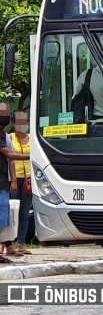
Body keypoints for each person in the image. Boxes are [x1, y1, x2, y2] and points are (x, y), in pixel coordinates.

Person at [0, 103, 28, 262]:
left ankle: (8, 246)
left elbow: (9, 160)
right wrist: (34, 156)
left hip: (4, 181)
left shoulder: (3, 135)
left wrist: (13, 179)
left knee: (5, 217)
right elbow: (10, 155)